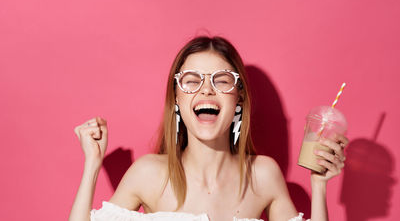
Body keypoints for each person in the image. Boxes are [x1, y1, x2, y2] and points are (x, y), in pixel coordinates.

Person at [69, 36, 349, 221]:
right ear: (176, 98)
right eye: (191, 80)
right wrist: (92, 165)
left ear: (238, 96)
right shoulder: (149, 173)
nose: (206, 90)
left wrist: (319, 186)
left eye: (222, 80)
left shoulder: (263, 175)